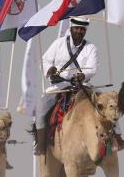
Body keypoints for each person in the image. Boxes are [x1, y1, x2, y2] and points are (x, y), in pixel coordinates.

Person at [32, 17, 97, 152]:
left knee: (106, 104)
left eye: (82, 29)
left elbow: (92, 68)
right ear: (71, 28)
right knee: (40, 108)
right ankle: (41, 145)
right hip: (58, 86)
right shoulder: (58, 43)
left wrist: (83, 75)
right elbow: (45, 61)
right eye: (77, 28)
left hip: (82, 86)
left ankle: (115, 138)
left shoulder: (91, 48)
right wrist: (49, 70)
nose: (79, 31)